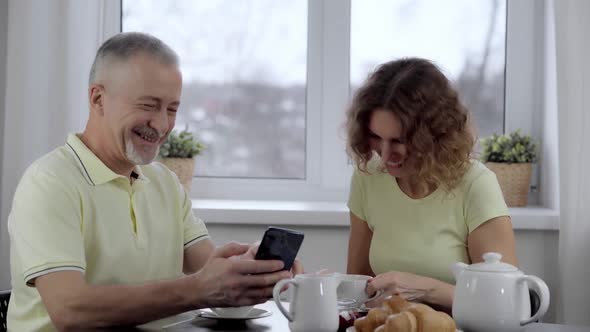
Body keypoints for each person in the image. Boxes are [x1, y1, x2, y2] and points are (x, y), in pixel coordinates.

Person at [7, 32, 300, 332]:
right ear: (98, 99)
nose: (161, 125)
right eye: (148, 105)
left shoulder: (165, 183)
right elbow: (70, 310)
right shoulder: (49, 183)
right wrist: (197, 289)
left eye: (171, 109)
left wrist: (251, 270)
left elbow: (209, 271)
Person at [345, 57, 517, 312]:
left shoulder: (475, 184)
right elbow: (359, 286)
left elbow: (507, 304)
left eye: (399, 140)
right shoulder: (368, 177)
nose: (385, 153)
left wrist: (425, 290)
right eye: (375, 137)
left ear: (434, 136)